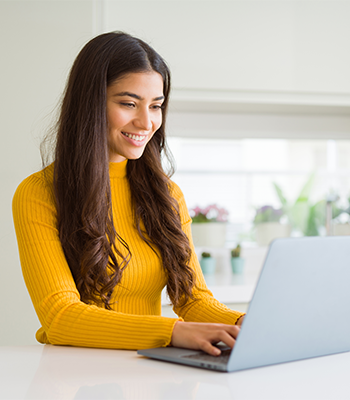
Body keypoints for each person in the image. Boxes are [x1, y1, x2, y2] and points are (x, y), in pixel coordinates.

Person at [12, 31, 244, 356]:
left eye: (156, 106)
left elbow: (193, 299)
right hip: (72, 375)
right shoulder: (39, 193)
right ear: (90, 103)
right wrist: (173, 332)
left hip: (147, 370)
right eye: (128, 103)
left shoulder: (167, 195)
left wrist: (245, 322)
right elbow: (60, 316)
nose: (146, 122)